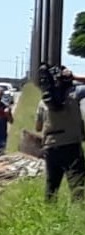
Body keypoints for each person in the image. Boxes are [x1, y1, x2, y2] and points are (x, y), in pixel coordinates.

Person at [35, 67, 85, 201]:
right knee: (77, 185)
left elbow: (38, 128)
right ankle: (76, 214)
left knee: (52, 185)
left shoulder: (43, 102)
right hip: (71, 145)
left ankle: (49, 214)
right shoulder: (74, 94)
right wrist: (74, 77)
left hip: (51, 146)